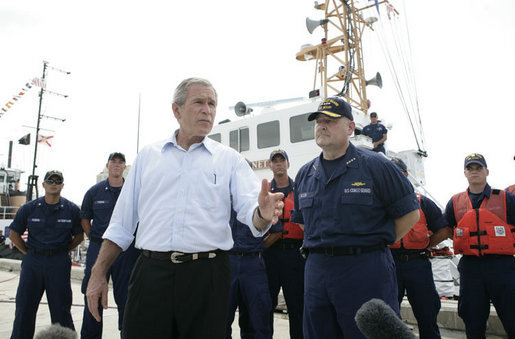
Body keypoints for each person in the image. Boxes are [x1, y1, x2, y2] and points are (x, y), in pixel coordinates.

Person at [85, 77, 284, 339]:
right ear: (176, 110)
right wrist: (98, 274)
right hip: (151, 274)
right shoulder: (148, 157)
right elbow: (121, 224)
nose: (207, 109)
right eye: (199, 102)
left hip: (207, 277)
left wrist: (262, 215)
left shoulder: (229, 160)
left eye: (212, 103)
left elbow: (252, 212)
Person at [290, 96, 420, 339]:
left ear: (350, 127)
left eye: (330, 120)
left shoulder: (377, 166)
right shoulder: (306, 173)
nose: (322, 126)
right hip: (317, 270)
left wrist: (374, 241)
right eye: (318, 121)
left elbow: (410, 214)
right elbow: (302, 222)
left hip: (364, 268)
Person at [443, 153, 515, 338]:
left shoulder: (506, 199)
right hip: (471, 267)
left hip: (503, 266)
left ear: (487, 171)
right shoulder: (455, 202)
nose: (474, 172)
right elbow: (447, 229)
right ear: (465, 173)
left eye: (478, 168)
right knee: (473, 320)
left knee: (512, 316)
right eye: (470, 168)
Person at [9, 170, 83, 339]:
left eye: (58, 181)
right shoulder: (29, 208)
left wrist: (63, 250)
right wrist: (28, 252)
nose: (54, 184)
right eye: (50, 181)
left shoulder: (71, 210)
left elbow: (79, 236)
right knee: (24, 308)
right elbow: (14, 233)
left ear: (62, 185)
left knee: (61, 310)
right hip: (33, 262)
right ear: (43, 185)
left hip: (58, 262)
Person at [390, 157, 452, 339]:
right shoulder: (379, 205)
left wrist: (426, 244)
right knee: (390, 312)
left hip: (417, 263)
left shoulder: (423, 203)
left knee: (427, 311)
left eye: (398, 173)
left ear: (406, 175)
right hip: (389, 264)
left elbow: (444, 230)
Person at [80, 152, 140, 338]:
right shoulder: (94, 192)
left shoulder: (133, 192)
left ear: (125, 167)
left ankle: (128, 333)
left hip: (127, 250)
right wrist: (96, 239)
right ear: (107, 165)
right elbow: (85, 219)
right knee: (93, 293)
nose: (116, 165)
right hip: (99, 247)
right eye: (113, 162)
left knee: (127, 295)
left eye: (120, 162)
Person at [226, 161, 272, 339]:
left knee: (258, 318)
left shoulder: (259, 199)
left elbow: (274, 231)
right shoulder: (221, 198)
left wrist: (256, 250)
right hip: (227, 262)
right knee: (221, 317)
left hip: (253, 263)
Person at [263, 149, 305, 339]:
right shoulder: (264, 193)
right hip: (270, 255)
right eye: (275, 161)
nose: (279, 164)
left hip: (296, 256)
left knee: (298, 307)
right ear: (270, 165)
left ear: (288, 164)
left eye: (282, 160)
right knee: (265, 306)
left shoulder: (301, 191)